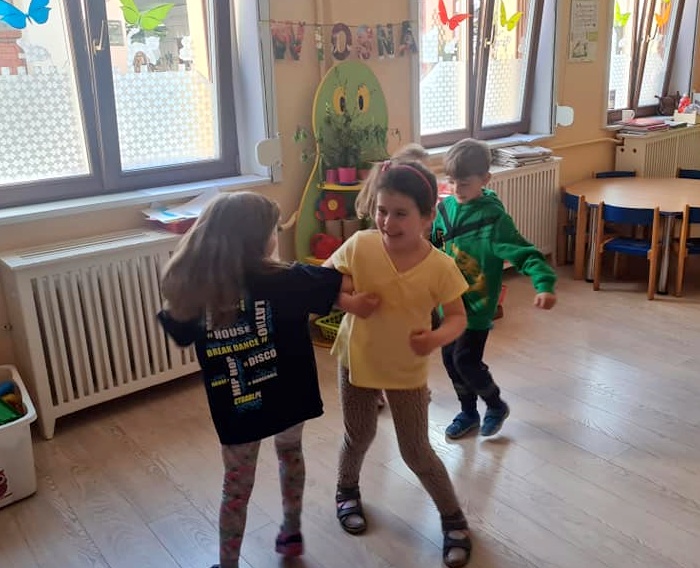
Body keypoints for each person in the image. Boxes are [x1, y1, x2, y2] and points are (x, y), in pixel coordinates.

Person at [157, 192, 379, 568]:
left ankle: (228, 563)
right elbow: (344, 282)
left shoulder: (196, 291)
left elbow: (179, 333)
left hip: (238, 407)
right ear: (260, 240)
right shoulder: (289, 279)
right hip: (288, 398)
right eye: (273, 231)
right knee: (290, 455)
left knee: (235, 486)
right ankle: (291, 532)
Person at [324, 161, 473, 568]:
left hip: (406, 370)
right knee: (359, 434)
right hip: (358, 360)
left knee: (416, 450)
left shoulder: (440, 266)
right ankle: (346, 489)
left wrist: (436, 338)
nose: (388, 222)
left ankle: (453, 518)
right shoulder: (361, 245)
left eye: (401, 213)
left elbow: (457, 317)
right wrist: (349, 302)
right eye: (382, 210)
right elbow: (321, 280)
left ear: (427, 216)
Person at [432, 138, 557, 440]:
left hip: (476, 305)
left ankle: (495, 405)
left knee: (465, 360)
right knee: (450, 360)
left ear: (485, 179)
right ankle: (468, 413)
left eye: (464, 183)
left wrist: (544, 284)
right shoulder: (444, 209)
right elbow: (433, 248)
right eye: (451, 182)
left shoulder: (493, 220)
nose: (456, 189)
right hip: (447, 304)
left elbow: (525, 252)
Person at [355, 142, 431, 409]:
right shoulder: (376, 228)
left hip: (403, 289)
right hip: (380, 289)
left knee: (405, 340)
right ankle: (377, 387)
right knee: (380, 342)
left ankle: (410, 386)